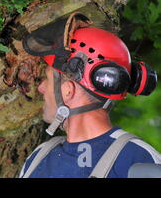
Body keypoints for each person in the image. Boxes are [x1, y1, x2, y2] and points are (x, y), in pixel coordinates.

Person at [18, 12, 161, 178]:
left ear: (68, 90)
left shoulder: (138, 161)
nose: (41, 87)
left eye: (48, 79)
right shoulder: (39, 157)